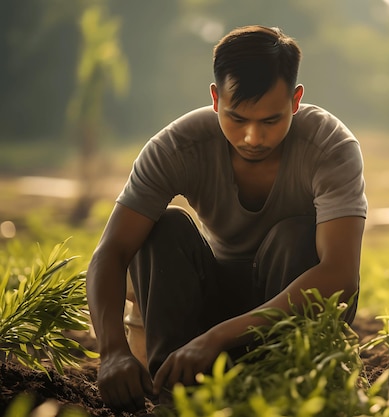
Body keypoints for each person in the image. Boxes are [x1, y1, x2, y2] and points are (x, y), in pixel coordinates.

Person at [86, 25, 367, 412]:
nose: (253, 137)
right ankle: (175, 389)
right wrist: (113, 351)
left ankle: (283, 382)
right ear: (216, 99)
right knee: (162, 227)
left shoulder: (329, 146)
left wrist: (218, 338)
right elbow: (111, 252)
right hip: (206, 309)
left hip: (286, 316)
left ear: (296, 100)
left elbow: (340, 274)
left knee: (296, 235)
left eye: (271, 120)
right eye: (237, 118)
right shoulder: (178, 146)